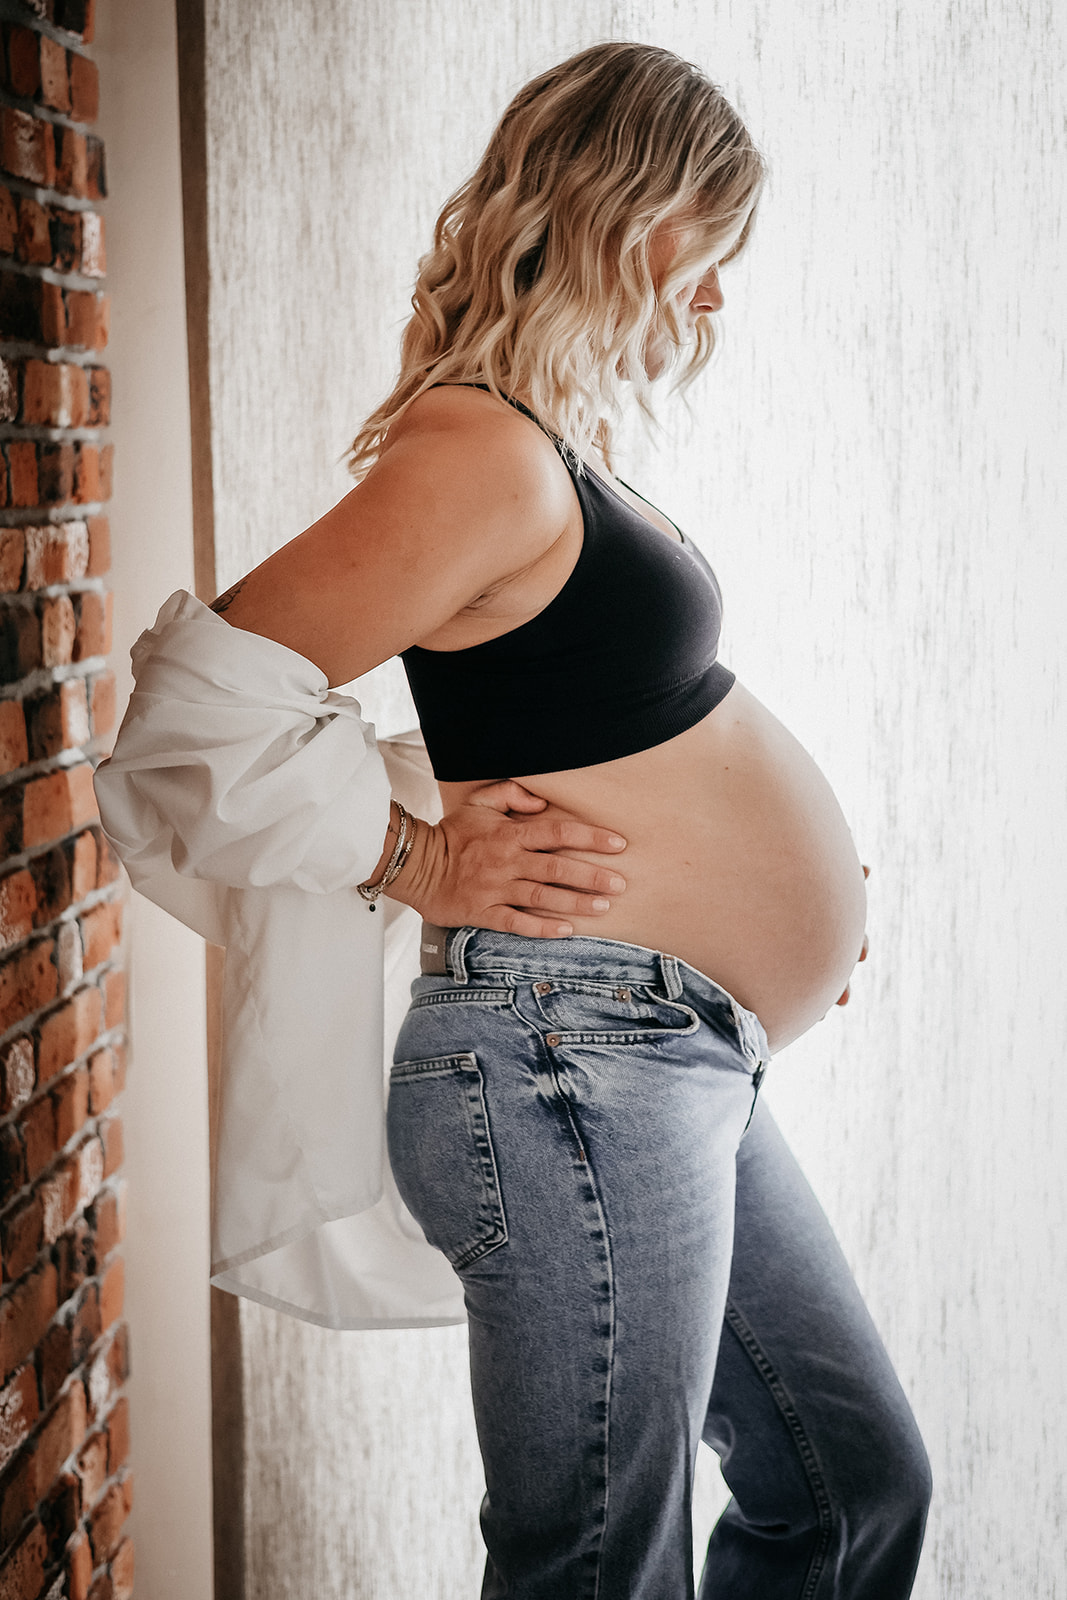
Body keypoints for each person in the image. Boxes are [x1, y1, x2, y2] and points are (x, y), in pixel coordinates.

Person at [98, 40, 932, 1600]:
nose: (718, 296)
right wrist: (414, 859)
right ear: (629, 207)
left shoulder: (544, 438)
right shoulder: (478, 449)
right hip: (573, 1061)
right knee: (598, 1568)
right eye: (710, 245)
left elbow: (561, 721)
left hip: (667, 1048)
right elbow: (193, 718)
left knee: (850, 1486)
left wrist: (748, 881)